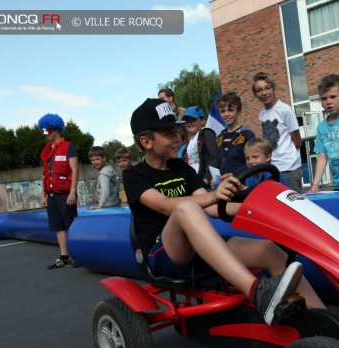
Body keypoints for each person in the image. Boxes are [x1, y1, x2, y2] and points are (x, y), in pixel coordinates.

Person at [123, 98, 325, 325]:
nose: (178, 138)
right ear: (146, 141)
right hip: (162, 254)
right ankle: (257, 292)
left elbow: (213, 208)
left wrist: (260, 204)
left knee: (270, 250)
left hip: (198, 247)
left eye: (177, 131)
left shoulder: (181, 168)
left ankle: (325, 323)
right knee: (185, 208)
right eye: (169, 134)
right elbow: (164, 205)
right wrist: (212, 195)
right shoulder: (134, 176)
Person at [38, 113, 79, 269]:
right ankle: (65, 256)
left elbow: (74, 170)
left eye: (47, 130)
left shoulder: (68, 147)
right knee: (58, 226)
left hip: (65, 193)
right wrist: (43, 195)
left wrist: (72, 192)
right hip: (52, 194)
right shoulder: (47, 150)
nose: (45, 134)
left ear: (55, 129)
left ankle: (77, 255)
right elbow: (44, 174)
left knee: (71, 224)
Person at [252, 72, 304, 193]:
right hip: (273, 168)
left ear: (274, 88)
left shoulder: (285, 110)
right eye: (259, 90)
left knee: (294, 205)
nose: (264, 93)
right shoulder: (262, 114)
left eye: (267, 88)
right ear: (256, 94)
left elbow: (297, 141)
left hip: (289, 168)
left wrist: (285, 154)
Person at [216, 91, 255, 178]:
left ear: (238, 111)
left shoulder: (247, 134)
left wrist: (235, 174)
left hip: (243, 181)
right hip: (225, 185)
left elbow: (253, 161)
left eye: (230, 110)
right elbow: (219, 162)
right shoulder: (219, 138)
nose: (226, 114)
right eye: (222, 111)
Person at [179, 105, 219, 185]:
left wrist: (206, 179)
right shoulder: (188, 143)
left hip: (205, 182)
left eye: (193, 119)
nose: (189, 123)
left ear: (202, 120)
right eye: (186, 121)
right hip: (193, 182)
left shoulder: (206, 132)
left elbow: (214, 157)